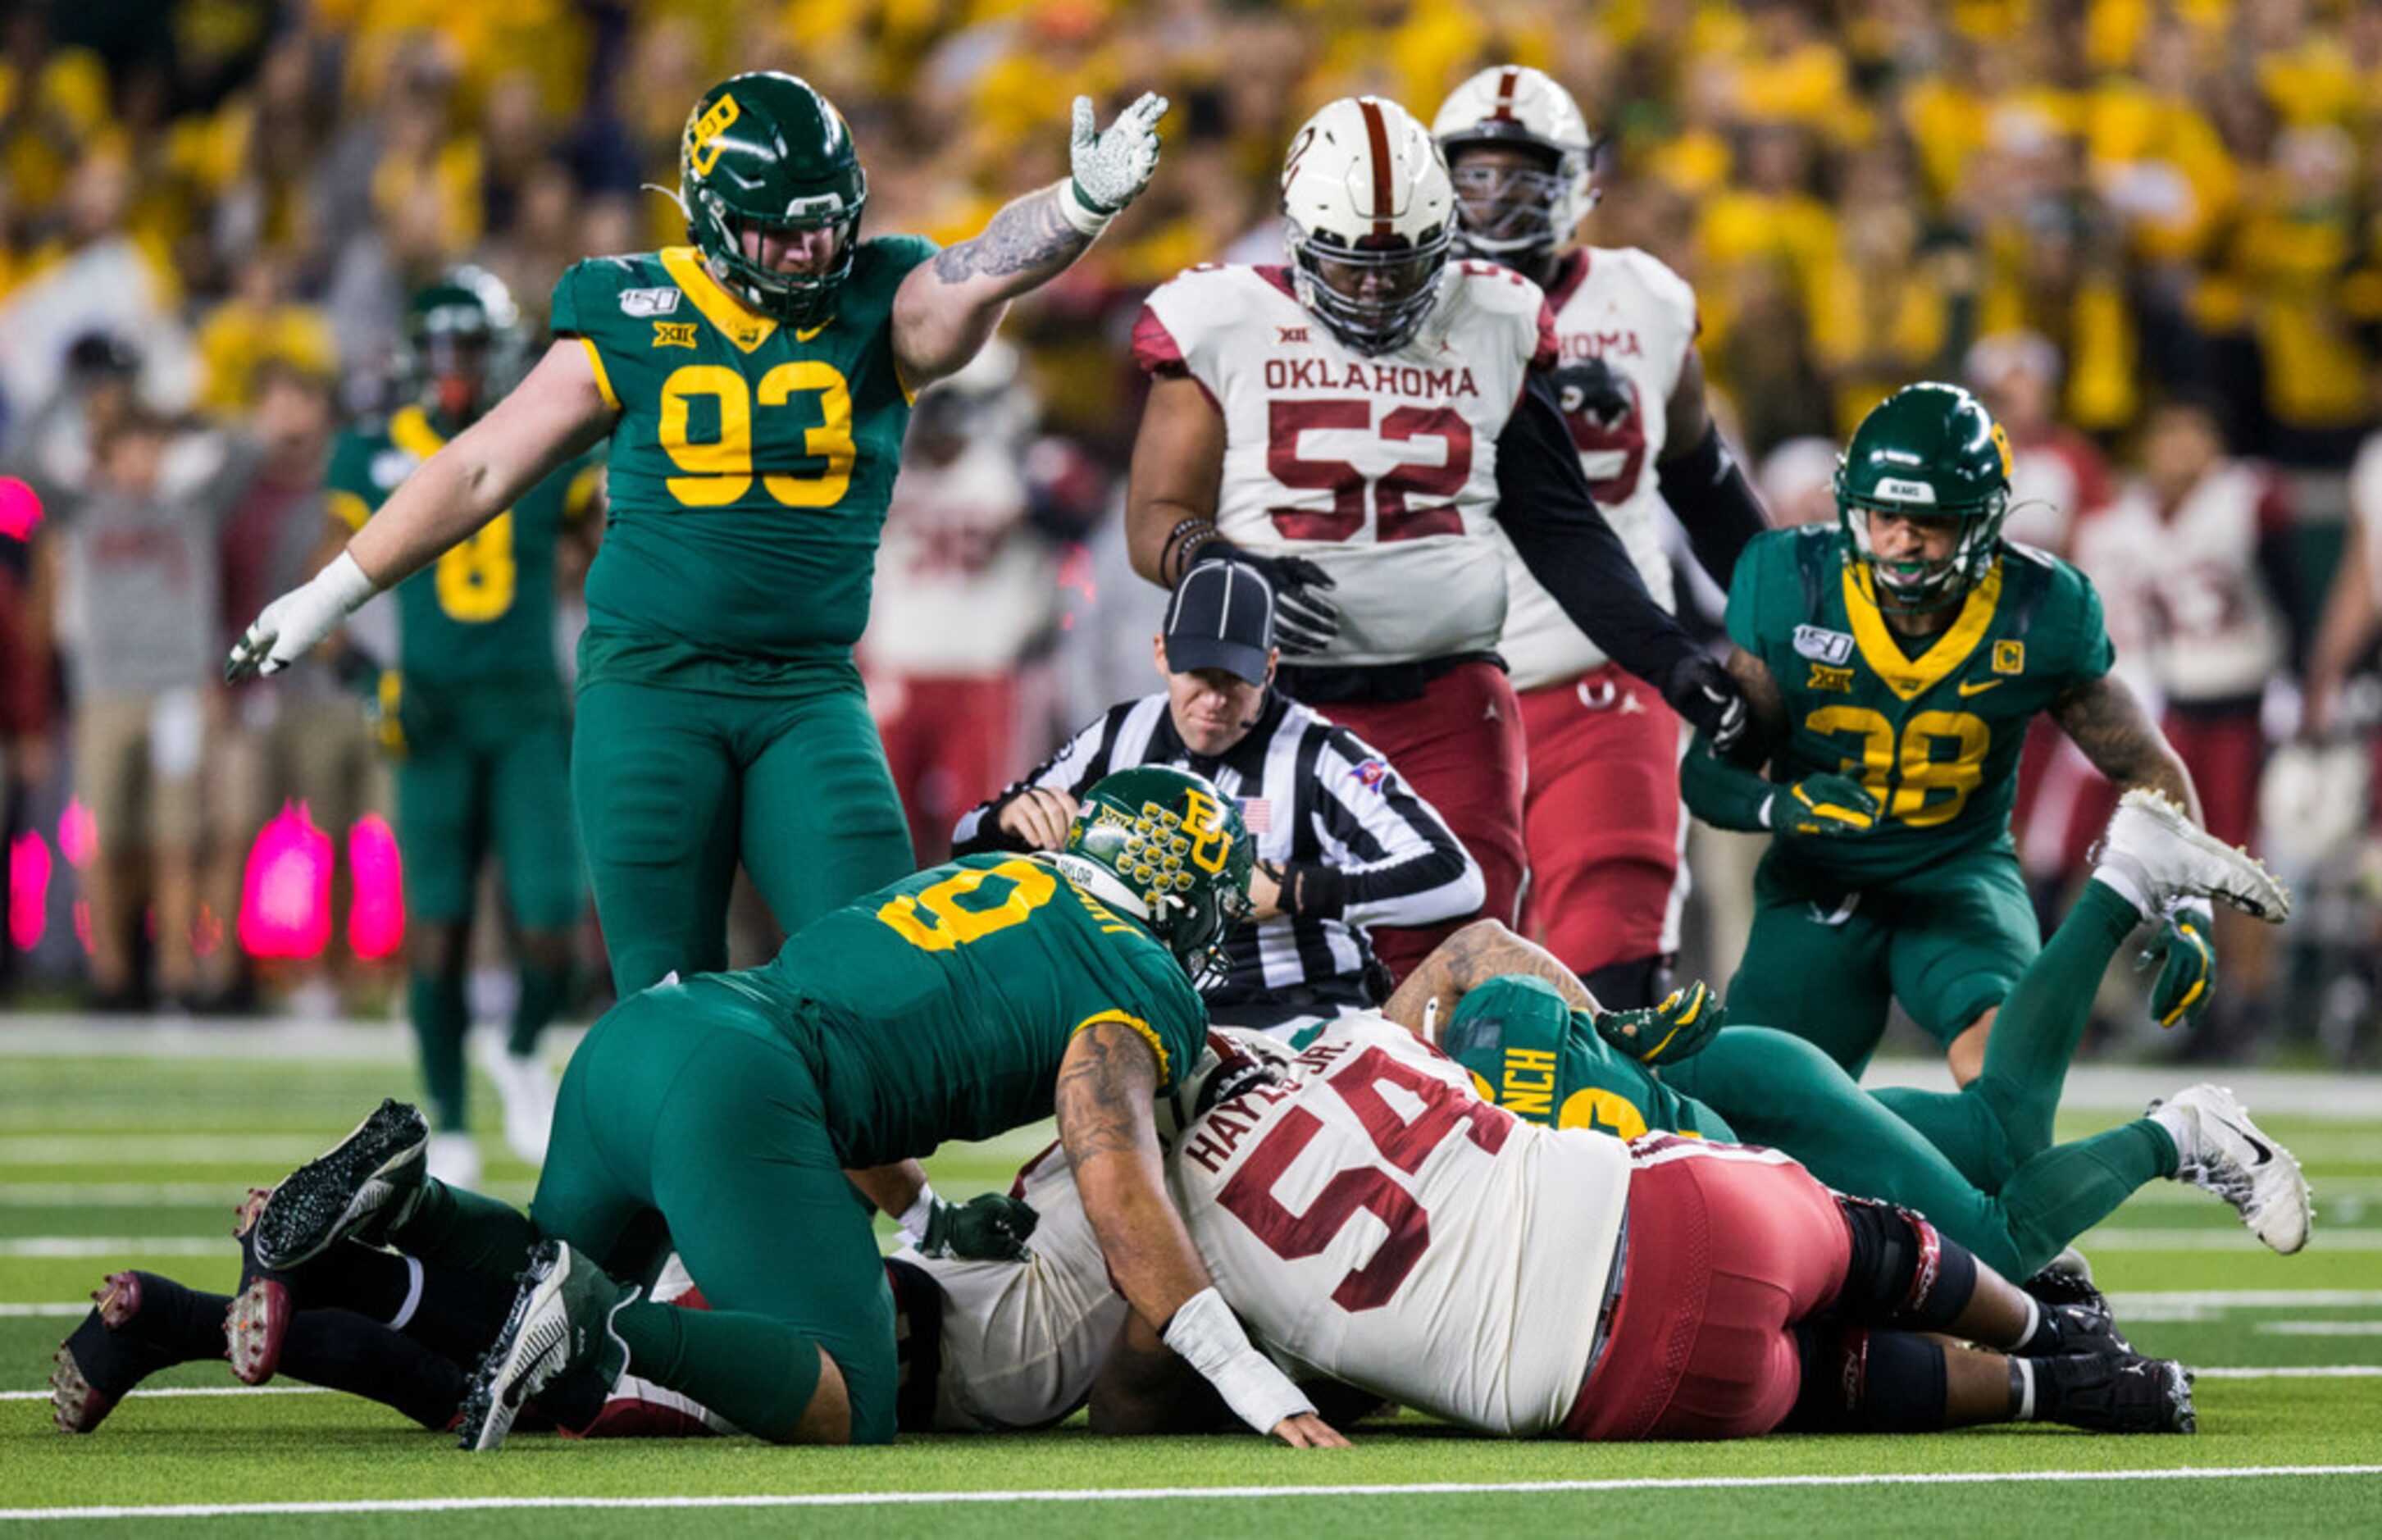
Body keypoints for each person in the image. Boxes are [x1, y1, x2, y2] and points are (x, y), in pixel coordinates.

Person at [228, 73, 1173, 997]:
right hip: (652, 686)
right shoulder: (630, 306)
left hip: (807, 690)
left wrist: (1079, 206)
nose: (812, 251)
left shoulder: (881, 293)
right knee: (669, 1002)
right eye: (784, 229)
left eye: (827, 222)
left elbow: (979, 269)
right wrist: (331, 592)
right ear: (714, 218)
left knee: (885, 985)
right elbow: (482, 466)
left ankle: (885, 1166)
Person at [221, 767, 1346, 1451]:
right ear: (1185, 895)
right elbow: (1109, 1162)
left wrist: (923, 1220)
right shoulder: (1140, 976)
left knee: (511, 1319)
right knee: (849, 1399)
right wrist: (1242, 1370)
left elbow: (867, 1030)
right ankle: (607, 1316)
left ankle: (412, 1206)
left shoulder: (985, 879)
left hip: (646, 1038)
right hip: (741, 1090)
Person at [1124, 94, 1747, 984]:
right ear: (1300, 241)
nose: (1377, 287)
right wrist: (1218, 562)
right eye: (1352, 266)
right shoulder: (1222, 320)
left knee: (1461, 968)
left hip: (1448, 701)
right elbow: (1154, 516)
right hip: (1274, 704)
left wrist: (1670, 659)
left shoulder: (1490, 318)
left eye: (1400, 263)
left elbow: (1561, 531)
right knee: (1256, 970)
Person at [1101, 1013, 2195, 1442]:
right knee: (1865, 1239)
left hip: (1619, 1394)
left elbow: (1148, 1392)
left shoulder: (1186, 1238)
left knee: (1825, 1382)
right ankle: (2053, 1335)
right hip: (1686, 1218)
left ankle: (2055, 1391)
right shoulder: (1351, 1042)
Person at [1404, 787, 2307, 1281]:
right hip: (1722, 1135)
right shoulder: (1400, 1188)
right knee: (1999, 1137)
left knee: (1992, 1245)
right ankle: (2128, 878)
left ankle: (2179, 1135)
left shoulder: (1373, 1074)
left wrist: (1600, 1024)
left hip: (1734, 1109)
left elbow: (1475, 948)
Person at [1681, 382, 2211, 1087]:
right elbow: (1709, 775)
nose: (1901, 538)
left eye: (1928, 521)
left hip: (1958, 879)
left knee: (2006, 1083)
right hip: (1820, 879)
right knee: (1752, 1110)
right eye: (1885, 515)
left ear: (1982, 521)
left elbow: (2147, 768)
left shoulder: (2038, 609)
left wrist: (2189, 906)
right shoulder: (1792, 583)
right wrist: (1786, 806)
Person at [1430, 66, 1769, 1006]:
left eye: (1524, 176)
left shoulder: (1643, 301)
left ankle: (1614, 1153)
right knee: (1438, 986)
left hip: (1605, 673)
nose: (1497, 202)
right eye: (1475, 177)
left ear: (1579, 182)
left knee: (1611, 973)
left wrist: (1793, 614)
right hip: (1440, 683)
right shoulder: (1402, 309)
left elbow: (1703, 484)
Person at [325, 269, 604, 1182]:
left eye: (472, 349)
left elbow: (595, 555)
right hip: (433, 715)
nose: (456, 369)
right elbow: (332, 590)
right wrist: (375, 680)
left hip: (527, 707)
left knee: (554, 922)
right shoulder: (372, 454)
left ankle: (520, 1047)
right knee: (436, 925)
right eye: (444, 350)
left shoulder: (551, 448)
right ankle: (443, 1113)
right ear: (415, 356)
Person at [954, 559, 1480, 1033]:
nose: (1212, 700)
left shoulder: (1319, 754)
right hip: (1155, 1013)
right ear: (1161, 655)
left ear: (1269, 669)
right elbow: (964, 838)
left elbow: (1457, 878)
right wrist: (1009, 820)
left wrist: (1295, 889)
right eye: (1198, 676)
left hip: (1306, 1011)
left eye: (1234, 682)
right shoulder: (1120, 733)